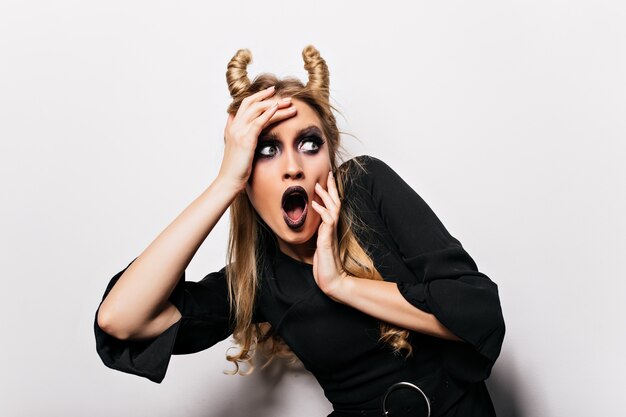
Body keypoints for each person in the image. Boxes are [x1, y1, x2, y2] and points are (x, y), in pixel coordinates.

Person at [94, 45, 506, 417]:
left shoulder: (367, 187)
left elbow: (479, 315)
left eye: (309, 144)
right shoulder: (259, 279)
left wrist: (341, 285)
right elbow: (120, 320)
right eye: (266, 150)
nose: (293, 166)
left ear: (329, 156)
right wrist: (224, 184)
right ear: (247, 178)